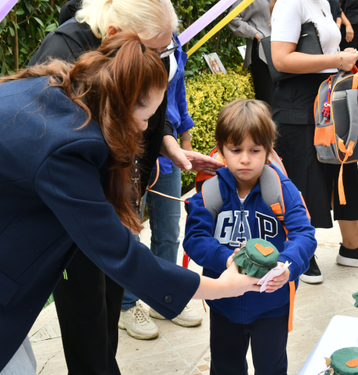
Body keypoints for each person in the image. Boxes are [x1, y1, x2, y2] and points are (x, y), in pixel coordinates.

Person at [0, 32, 259, 375]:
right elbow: (120, 255)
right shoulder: (69, 146)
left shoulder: (55, 88)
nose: (145, 129)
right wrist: (221, 286)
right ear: (124, 104)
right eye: (145, 117)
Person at [28, 0, 223, 372]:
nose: (158, 59)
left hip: (116, 194)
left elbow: (149, 110)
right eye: (154, 50)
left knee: (110, 300)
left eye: (166, 50)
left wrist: (166, 141)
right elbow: (54, 151)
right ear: (116, 35)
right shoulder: (62, 57)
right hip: (78, 207)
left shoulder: (133, 49)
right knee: (87, 311)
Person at [183, 99, 317, 375]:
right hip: (224, 304)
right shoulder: (210, 192)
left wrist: (287, 265)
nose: (245, 159)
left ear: (268, 151)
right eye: (235, 150)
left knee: (271, 367)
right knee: (225, 366)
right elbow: (195, 238)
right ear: (221, 150)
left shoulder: (281, 189)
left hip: (272, 305)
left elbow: (304, 234)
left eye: (254, 150)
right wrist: (225, 257)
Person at [269, 0, 358, 285]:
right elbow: (281, 59)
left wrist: (341, 55)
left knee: (343, 167)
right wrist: (336, 60)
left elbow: (322, 50)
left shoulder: (326, 2)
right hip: (298, 105)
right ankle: (301, 251)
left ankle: (352, 247)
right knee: (303, 179)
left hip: (327, 99)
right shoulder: (290, 4)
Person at [118, 31, 203, 340]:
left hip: (166, 151)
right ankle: (127, 306)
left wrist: (185, 137)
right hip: (132, 152)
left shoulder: (174, 42)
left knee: (169, 230)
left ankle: (165, 298)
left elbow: (176, 93)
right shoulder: (129, 44)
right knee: (130, 233)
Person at [228, 0, 273, 106]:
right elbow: (233, 17)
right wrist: (255, 34)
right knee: (268, 103)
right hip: (263, 54)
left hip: (287, 52)